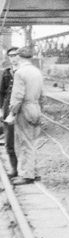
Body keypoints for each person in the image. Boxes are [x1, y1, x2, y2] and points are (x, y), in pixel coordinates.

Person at [5, 47, 44, 185]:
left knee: (23, 143)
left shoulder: (20, 73)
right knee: (32, 142)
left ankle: (27, 175)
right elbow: (42, 94)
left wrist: (12, 114)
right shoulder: (36, 71)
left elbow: (17, 96)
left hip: (24, 108)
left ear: (19, 57)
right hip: (36, 107)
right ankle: (35, 172)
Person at [1, 47, 17, 175]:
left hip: (21, 109)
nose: (14, 58)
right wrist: (1, 109)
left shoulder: (25, 72)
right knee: (9, 140)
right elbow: (1, 92)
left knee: (23, 141)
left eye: (16, 55)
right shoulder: (6, 73)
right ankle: (14, 169)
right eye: (11, 56)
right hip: (8, 107)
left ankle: (26, 170)